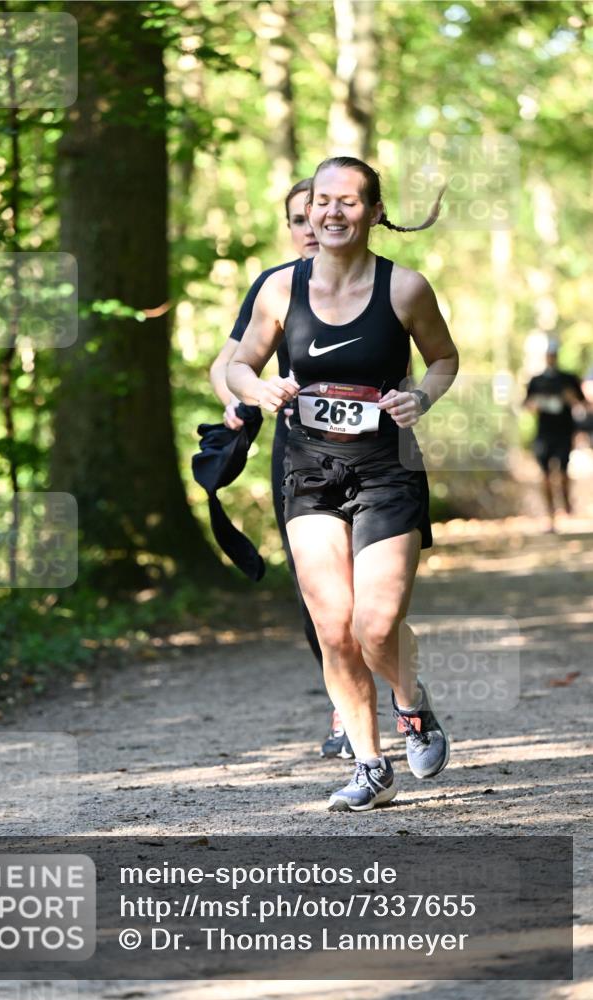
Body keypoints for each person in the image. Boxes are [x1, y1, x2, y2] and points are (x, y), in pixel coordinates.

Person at [228, 156, 459, 811]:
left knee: (376, 624)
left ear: (374, 211)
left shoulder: (405, 288)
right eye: (322, 200)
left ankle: (411, 705)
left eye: (348, 201)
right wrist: (259, 386)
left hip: (386, 470)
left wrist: (420, 394)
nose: (331, 213)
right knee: (333, 626)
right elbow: (240, 362)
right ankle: (369, 764)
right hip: (307, 471)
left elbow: (443, 358)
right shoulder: (278, 288)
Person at [210, 179, 353, 760]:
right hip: (299, 454)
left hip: (378, 457)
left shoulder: (380, 280)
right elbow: (228, 363)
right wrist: (236, 399)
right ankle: (346, 708)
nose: (310, 226)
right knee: (318, 593)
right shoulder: (274, 288)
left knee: (375, 598)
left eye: (316, 212)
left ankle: (403, 694)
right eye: (298, 219)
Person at [524, 340, 586, 529]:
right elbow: (526, 406)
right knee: (545, 476)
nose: (551, 358)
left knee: (563, 473)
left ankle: (566, 505)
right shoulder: (536, 380)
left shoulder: (568, 379)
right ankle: (550, 514)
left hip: (564, 432)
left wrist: (570, 398)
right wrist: (535, 404)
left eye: (554, 354)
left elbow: (582, 404)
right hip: (544, 434)